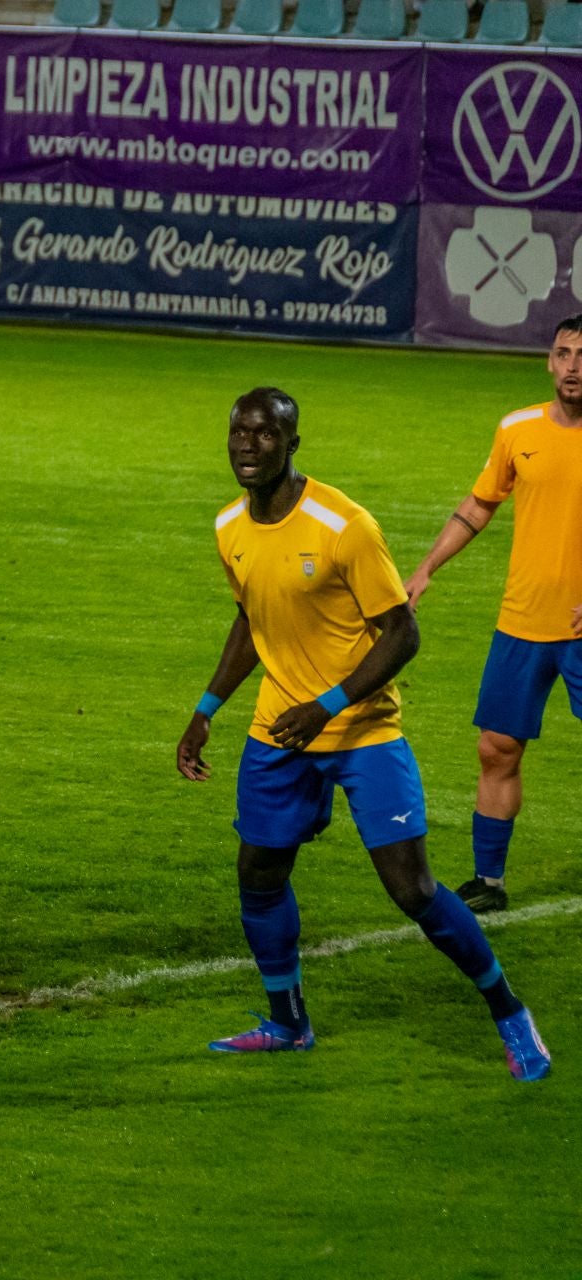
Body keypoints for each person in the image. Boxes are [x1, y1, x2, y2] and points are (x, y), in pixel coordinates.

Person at [176, 387, 550, 1081]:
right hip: (278, 730)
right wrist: (206, 708)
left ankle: (509, 1011)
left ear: (293, 444)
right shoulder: (230, 525)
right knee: (257, 874)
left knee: (412, 890)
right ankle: (287, 1023)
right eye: (238, 432)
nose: (246, 445)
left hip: (362, 731)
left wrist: (328, 705)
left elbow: (403, 631)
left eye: (264, 434)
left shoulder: (343, 525)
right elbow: (252, 621)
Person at [404, 315, 582, 914]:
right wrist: (427, 568)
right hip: (523, 621)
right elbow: (480, 505)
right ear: (548, 362)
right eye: (563, 354)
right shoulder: (517, 429)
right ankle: (489, 880)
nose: (574, 366)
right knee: (497, 749)